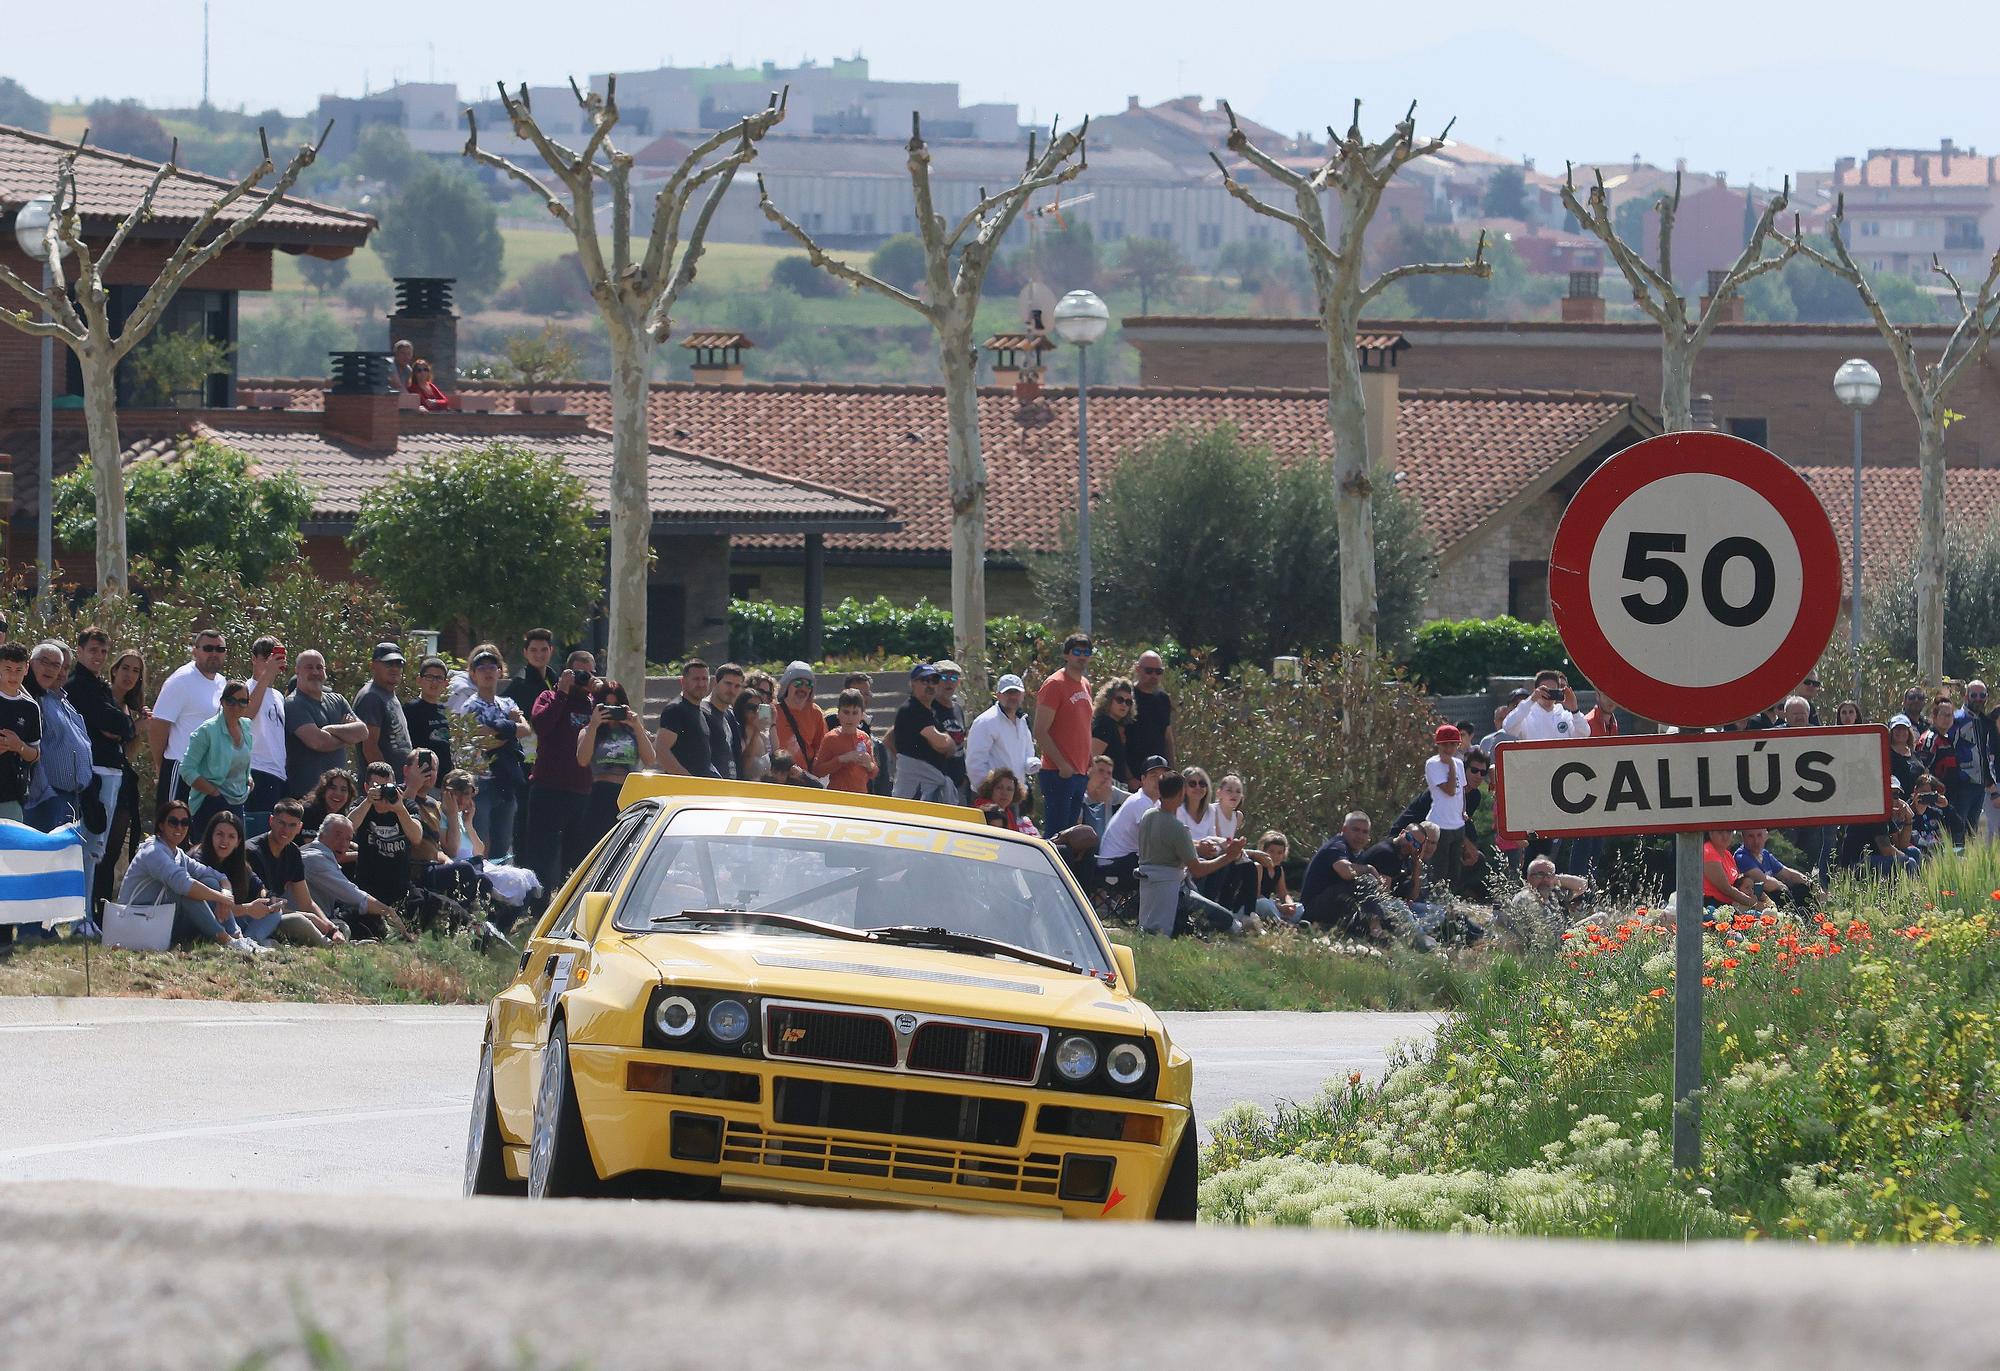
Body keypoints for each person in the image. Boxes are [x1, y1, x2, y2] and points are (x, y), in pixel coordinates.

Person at [115, 798, 272, 955]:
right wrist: (222, 898)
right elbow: (184, 885)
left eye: (185, 822)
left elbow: (217, 875)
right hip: (139, 921)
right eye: (173, 822)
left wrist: (225, 894)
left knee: (273, 912)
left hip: (164, 920)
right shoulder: (154, 851)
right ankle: (228, 940)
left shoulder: (178, 854)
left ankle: (239, 938)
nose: (179, 827)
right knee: (187, 894)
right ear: (161, 825)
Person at [525, 653, 599, 896]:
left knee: (577, 855)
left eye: (587, 673)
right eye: (578, 672)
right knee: (541, 853)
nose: (582, 678)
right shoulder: (549, 696)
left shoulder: (593, 705)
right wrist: (562, 693)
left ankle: (571, 905)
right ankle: (538, 906)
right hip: (548, 787)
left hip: (582, 790)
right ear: (566, 672)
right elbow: (542, 725)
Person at [197, 809, 327, 947]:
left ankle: (249, 943)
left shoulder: (239, 863)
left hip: (239, 922)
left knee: (274, 910)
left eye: (231, 836)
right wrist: (247, 908)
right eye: (219, 834)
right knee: (210, 882)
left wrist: (269, 899)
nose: (224, 841)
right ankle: (247, 944)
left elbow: (259, 887)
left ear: (238, 841)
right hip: (204, 923)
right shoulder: (200, 859)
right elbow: (211, 909)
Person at [1135, 772, 1243, 937]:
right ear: (1181, 794)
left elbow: (1167, 843)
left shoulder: (1148, 815)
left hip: (1149, 886)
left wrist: (1197, 846)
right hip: (1173, 891)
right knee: (1226, 919)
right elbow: (1198, 869)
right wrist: (1229, 856)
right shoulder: (1178, 828)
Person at [68, 629, 131, 893]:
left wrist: (120, 726)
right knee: (90, 844)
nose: (99, 656)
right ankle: (81, 916)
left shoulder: (100, 686)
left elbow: (124, 726)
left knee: (99, 847)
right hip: (94, 771)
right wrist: (117, 725)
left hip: (111, 770)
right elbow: (112, 722)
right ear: (79, 651)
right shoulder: (77, 685)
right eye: (93, 650)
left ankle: (89, 914)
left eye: (104, 651)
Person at [90, 649, 148, 917]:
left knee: (113, 850)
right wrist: (136, 725)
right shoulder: (102, 697)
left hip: (123, 780)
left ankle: (103, 908)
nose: (129, 675)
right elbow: (111, 733)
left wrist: (136, 724)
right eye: (126, 668)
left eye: (136, 671)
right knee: (97, 847)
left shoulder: (130, 707)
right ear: (114, 670)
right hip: (99, 777)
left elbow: (128, 748)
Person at [456, 647, 528, 859]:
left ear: (500, 671)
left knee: (503, 843)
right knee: (480, 842)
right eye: (481, 667)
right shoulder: (470, 706)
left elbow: (526, 729)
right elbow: (481, 742)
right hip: (482, 783)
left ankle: (499, 888)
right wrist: (509, 728)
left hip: (506, 780)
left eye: (492, 667)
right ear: (473, 673)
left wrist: (498, 728)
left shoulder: (507, 703)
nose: (488, 672)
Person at [148, 628, 228, 811]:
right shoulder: (181, 680)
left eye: (220, 649)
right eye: (208, 648)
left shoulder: (222, 683)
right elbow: (158, 726)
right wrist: (162, 767)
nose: (214, 654)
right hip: (180, 767)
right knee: (171, 830)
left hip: (208, 774)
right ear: (195, 650)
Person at [246, 800, 344, 944]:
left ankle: (335, 940)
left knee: (340, 926)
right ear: (271, 821)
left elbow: (306, 903)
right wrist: (311, 918)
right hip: (253, 917)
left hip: (275, 914)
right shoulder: (252, 851)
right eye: (281, 823)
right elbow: (264, 906)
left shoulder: (293, 852)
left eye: (292, 825)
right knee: (300, 920)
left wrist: (332, 929)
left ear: (300, 827)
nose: (286, 830)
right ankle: (330, 947)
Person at [24, 642, 93, 847]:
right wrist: (47, 795)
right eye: (47, 663)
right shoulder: (34, 701)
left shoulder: (64, 703)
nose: (58, 672)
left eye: (62, 666)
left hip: (73, 800)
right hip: (47, 798)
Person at [578, 679, 657, 849]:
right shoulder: (589, 730)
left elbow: (650, 759)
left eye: (616, 707)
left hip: (629, 791)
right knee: (598, 844)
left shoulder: (634, 729)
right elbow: (582, 760)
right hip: (601, 794)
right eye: (606, 706)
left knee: (628, 846)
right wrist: (594, 725)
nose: (611, 712)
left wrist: (636, 726)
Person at [300, 814, 405, 942]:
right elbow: (355, 896)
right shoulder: (317, 859)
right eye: (337, 835)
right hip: (308, 920)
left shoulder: (311, 852)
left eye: (348, 839)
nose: (343, 844)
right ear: (321, 835)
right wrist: (391, 914)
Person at [284, 650, 368, 803]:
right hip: (306, 797)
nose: (315, 672)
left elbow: (362, 732)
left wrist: (330, 730)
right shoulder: (293, 704)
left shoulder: (338, 700)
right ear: (297, 671)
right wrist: (347, 735)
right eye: (309, 667)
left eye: (319, 667)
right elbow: (318, 742)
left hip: (338, 799)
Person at [1035, 634, 1096, 836]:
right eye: (1077, 652)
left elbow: (1083, 726)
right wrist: (1062, 765)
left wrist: (1089, 761)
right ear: (1066, 655)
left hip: (1079, 773)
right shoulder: (1055, 684)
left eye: (1086, 653)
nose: (1082, 657)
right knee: (1056, 836)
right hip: (1058, 773)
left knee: (1072, 838)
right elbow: (1040, 730)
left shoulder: (1085, 684)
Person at [180, 682, 256, 838]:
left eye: (243, 701)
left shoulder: (246, 726)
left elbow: (241, 761)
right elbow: (186, 769)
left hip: (238, 802)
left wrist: (247, 778)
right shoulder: (206, 731)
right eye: (231, 700)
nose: (236, 705)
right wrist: (213, 792)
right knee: (207, 857)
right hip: (210, 804)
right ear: (222, 701)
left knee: (233, 857)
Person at [1095, 755, 1169, 897]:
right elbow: (1158, 842)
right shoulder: (1140, 802)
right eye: (1154, 776)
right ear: (1143, 779)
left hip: (1126, 862)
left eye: (1163, 776)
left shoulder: (1157, 804)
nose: (1159, 781)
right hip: (1112, 867)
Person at [236, 636, 290, 820]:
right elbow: (246, 715)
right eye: (266, 655)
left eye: (275, 655)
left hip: (277, 774)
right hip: (254, 770)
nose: (270, 661)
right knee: (254, 832)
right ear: (253, 658)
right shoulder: (244, 688)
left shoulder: (278, 696)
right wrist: (268, 674)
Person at [892, 665, 956, 802]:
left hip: (928, 787)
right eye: (925, 680)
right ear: (913, 683)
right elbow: (942, 743)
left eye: (934, 681)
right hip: (915, 789)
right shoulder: (911, 708)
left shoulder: (930, 712)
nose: (930, 685)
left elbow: (944, 745)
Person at [967, 673, 1036, 798]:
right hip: (991, 797)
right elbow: (974, 763)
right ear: (998, 695)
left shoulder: (1022, 721)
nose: (1013, 697)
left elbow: (1028, 754)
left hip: (1014, 796)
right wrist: (987, 794)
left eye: (1016, 693)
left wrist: (1031, 764)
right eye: (1008, 693)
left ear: (1023, 695)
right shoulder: (986, 721)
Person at [353, 643, 413, 777]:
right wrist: (386, 781)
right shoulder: (371, 697)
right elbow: (370, 747)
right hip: (381, 789)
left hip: (400, 784)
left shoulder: (388, 694)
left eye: (399, 664)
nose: (395, 668)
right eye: (389, 663)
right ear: (373, 665)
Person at [1423, 724, 1468, 889]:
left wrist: (1463, 811)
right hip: (1439, 823)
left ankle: (1452, 905)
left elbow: (1461, 790)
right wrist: (1450, 766)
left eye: (1453, 744)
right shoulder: (1432, 764)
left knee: (1455, 871)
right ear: (1438, 745)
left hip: (1457, 823)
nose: (1449, 748)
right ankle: (1436, 905)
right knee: (1438, 870)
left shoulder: (1459, 763)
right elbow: (1449, 790)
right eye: (1445, 744)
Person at [656, 659, 717, 777]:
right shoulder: (676, 709)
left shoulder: (700, 711)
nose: (701, 684)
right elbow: (661, 750)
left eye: (705, 679)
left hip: (699, 789)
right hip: (683, 790)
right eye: (696, 679)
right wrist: (687, 781)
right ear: (683, 682)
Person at [0, 642, 38, 824]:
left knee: (10, 852)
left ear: (26, 669)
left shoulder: (31, 708)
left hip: (10, 794)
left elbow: (35, 755)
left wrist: (18, 746)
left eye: (18, 669)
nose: (13, 675)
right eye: (8, 669)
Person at [813, 689, 879, 793]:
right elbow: (818, 771)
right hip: (838, 795)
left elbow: (874, 772)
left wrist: (869, 764)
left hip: (861, 795)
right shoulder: (831, 738)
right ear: (838, 714)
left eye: (855, 713)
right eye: (846, 712)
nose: (850, 718)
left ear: (861, 715)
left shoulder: (864, 737)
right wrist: (841, 759)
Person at [1734, 828, 1814, 906]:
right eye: (1751, 836)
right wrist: (1782, 886)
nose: (1756, 841)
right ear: (1743, 838)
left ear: (1766, 836)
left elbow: (1788, 874)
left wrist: (1813, 885)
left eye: (1759, 835)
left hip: (1774, 899)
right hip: (1759, 903)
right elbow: (1764, 882)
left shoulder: (1765, 854)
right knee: (1780, 894)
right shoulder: (1741, 857)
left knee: (1803, 888)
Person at [404, 656, 456, 777]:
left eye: (439, 678)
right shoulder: (411, 709)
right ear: (419, 680)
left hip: (443, 778)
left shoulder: (444, 711)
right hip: (422, 777)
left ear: (446, 683)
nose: (434, 682)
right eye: (429, 677)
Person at [770, 662, 826, 773]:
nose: (803, 688)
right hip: (777, 776)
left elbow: (822, 748)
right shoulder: (771, 710)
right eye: (798, 683)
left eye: (808, 684)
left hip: (803, 778)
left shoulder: (816, 712)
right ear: (787, 685)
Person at [1701, 829, 1772, 911]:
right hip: (1713, 907)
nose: (1725, 836)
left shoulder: (1727, 854)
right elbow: (1727, 889)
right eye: (1720, 832)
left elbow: (1740, 882)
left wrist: (1767, 900)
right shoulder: (1708, 851)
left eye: (1728, 831)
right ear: (1710, 833)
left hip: (1731, 907)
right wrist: (1756, 905)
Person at [1127, 650, 1176, 768]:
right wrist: (1128, 776)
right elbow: (1118, 738)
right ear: (1138, 669)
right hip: (1132, 770)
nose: (1154, 675)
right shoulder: (1126, 697)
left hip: (1157, 771)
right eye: (1149, 671)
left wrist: (1172, 769)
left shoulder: (1163, 698)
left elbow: (1167, 737)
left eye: (1158, 671)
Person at [1089, 679, 1137, 788]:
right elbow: (1091, 759)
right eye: (1120, 700)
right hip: (1104, 789)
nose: (1124, 704)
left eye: (1128, 702)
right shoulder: (1105, 724)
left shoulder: (1113, 725)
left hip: (1114, 787)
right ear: (1108, 700)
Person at [706, 663, 746, 782]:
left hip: (730, 787)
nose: (732, 690)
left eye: (737, 686)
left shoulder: (730, 715)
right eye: (728, 684)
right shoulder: (702, 712)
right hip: (709, 786)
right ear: (715, 683)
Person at [1251, 831, 1301, 926]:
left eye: (1279, 853)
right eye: (1271, 851)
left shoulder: (1278, 870)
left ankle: (1282, 921)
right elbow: (1256, 896)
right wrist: (1279, 907)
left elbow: (1283, 893)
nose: (1275, 856)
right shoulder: (1258, 867)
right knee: (1265, 904)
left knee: (1300, 907)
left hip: (1272, 906)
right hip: (1256, 904)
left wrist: (1290, 905)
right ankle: (1281, 924)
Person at [973, 768, 1038, 835]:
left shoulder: (1008, 812)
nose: (1004, 793)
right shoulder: (983, 810)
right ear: (990, 789)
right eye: (999, 788)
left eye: (1009, 789)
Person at [302, 768, 359, 837]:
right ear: (323, 791)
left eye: (343, 790)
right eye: (333, 788)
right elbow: (311, 845)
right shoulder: (308, 812)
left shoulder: (344, 816)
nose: (338, 793)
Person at [736, 685, 773, 782]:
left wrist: (773, 723)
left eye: (759, 708)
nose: (756, 712)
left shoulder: (762, 735)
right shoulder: (737, 732)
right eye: (751, 707)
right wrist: (756, 732)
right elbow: (745, 766)